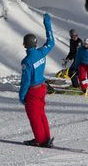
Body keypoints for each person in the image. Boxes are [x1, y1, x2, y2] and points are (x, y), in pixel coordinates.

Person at [20, 13, 55, 147]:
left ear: (25, 44)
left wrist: (22, 96)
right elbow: (51, 42)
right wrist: (48, 25)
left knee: (34, 116)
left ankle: (41, 140)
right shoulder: (41, 52)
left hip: (33, 91)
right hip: (42, 88)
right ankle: (45, 137)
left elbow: (26, 81)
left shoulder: (27, 61)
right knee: (41, 114)